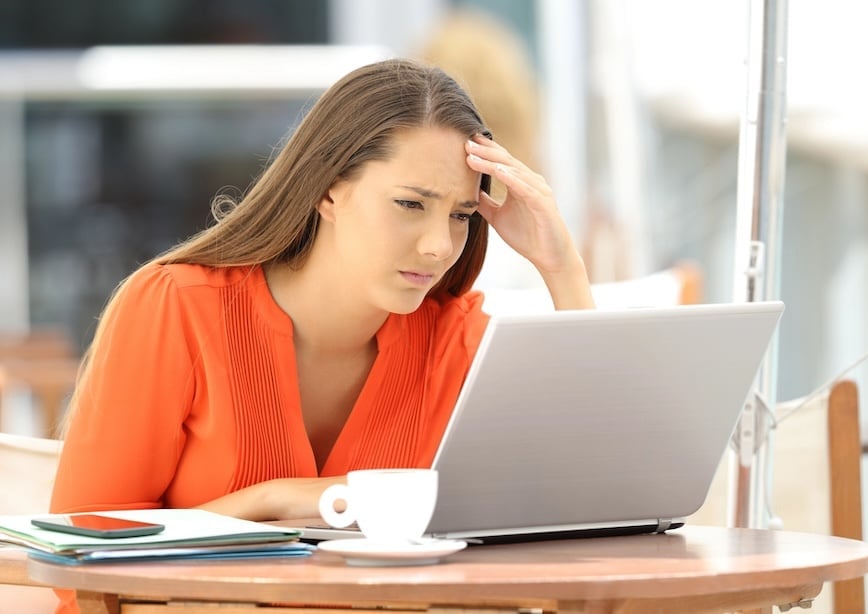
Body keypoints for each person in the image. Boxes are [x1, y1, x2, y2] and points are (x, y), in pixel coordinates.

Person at [49, 57, 592, 613]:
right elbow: (79, 554)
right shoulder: (176, 308)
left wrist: (561, 267)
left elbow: (588, 500)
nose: (438, 245)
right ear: (329, 191)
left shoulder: (456, 341)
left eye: (460, 215)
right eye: (411, 204)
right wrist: (272, 500)